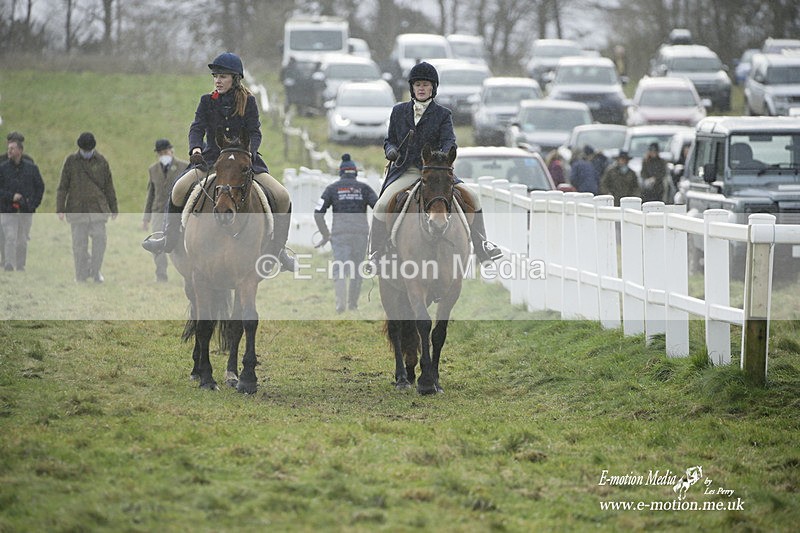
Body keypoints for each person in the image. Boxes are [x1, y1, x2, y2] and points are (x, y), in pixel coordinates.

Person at [142, 52, 296, 272]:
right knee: (178, 189)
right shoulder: (207, 101)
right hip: (211, 160)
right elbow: (197, 127)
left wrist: (250, 152)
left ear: (235, 78)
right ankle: (168, 238)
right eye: (215, 76)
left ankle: (279, 251)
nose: (217, 80)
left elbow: (255, 132)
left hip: (244, 162)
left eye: (223, 76)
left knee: (282, 196)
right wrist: (195, 147)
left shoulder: (249, 102)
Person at [368, 61, 501, 268]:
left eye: (426, 85)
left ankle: (482, 247)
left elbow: (450, 140)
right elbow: (390, 140)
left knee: (472, 197)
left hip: (436, 170)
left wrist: (444, 154)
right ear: (412, 88)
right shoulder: (398, 111)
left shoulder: (443, 114)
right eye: (418, 84)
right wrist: (391, 151)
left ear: (433, 88)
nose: (421, 88)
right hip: (407, 170)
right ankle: (375, 253)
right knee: (382, 204)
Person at [314, 154, 378, 313]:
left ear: (341, 172)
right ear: (355, 172)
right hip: (361, 234)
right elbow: (379, 210)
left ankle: (340, 305)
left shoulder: (332, 189)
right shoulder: (364, 189)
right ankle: (353, 305)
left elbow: (318, 213)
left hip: (339, 234)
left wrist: (325, 235)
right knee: (357, 271)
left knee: (340, 269)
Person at [57, 132, 118, 283]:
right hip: (76, 209)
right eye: (84, 150)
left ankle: (95, 271)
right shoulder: (71, 161)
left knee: (100, 241)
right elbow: (63, 186)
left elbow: (109, 186)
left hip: (97, 209)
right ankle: (80, 275)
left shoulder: (101, 161)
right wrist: (60, 208)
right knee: (79, 245)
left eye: (89, 150)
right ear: (79, 148)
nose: (87, 153)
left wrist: (114, 207)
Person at [142, 138, 188, 282]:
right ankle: (161, 274)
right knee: (157, 242)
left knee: (180, 243)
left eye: (165, 152)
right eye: (160, 153)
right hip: (159, 211)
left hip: (177, 212)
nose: (164, 155)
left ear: (171, 150)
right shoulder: (153, 170)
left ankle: (186, 271)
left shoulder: (184, 166)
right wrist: (146, 217)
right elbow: (151, 194)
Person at [0, 137, 44, 271]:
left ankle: (20, 265)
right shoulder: (2, 169)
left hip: (26, 210)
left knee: (22, 240)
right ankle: (8, 264)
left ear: (20, 150)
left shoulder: (32, 168)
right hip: (7, 209)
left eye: (12, 148)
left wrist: (33, 205)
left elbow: (40, 187)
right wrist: (11, 196)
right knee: (10, 236)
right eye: (8, 148)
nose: (9, 151)